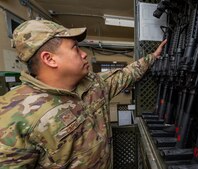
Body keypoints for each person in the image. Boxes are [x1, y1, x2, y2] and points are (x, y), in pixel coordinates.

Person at [0, 19, 167, 168]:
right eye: (75, 48)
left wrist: (152, 57)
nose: (84, 53)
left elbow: (125, 75)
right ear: (49, 59)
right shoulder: (12, 116)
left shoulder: (93, 85)